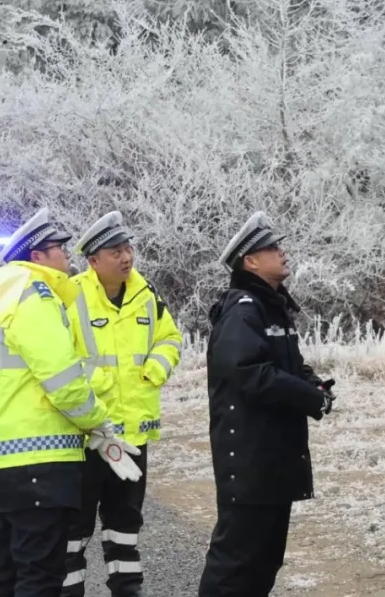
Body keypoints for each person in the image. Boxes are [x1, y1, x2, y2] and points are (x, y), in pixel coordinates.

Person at [0, 207, 142, 597]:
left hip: (7, 458)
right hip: (41, 461)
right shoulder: (35, 296)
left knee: (10, 569)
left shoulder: (1, 294)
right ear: (37, 258)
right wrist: (100, 424)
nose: (67, 256)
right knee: (41, 574)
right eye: (58, 248)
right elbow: (65, 382)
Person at [197, 211, 336, 597]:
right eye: (272, 248)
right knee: (236, 563)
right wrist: (308, 397)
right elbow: (248, 371)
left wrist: (315, 386)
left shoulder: (270, 306)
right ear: (250, 261)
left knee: (264, 561)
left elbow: (286, 364)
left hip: (272, 459)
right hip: (249, 459)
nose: (283, 253)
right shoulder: (243, 308)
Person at [59, 211, 183, 597]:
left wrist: (155, 370)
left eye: (128, 248)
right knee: (73, 529)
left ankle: (127, 590)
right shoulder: (71, 295)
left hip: (131, 435)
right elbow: (57, 361)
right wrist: (95, 385)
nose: (126, 257)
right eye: (116, 251)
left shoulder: (147, 295)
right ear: (93, 260)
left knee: (125, 524)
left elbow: (171, 339)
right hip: (84, 437)